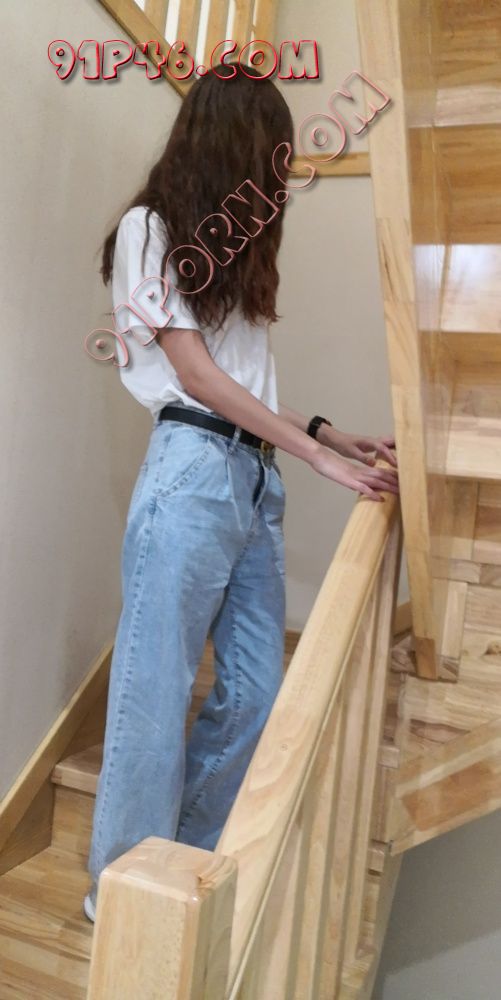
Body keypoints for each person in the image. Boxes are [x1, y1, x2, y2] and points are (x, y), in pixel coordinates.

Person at [84, 61, 398, 923]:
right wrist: (316, 460)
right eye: (270, 155)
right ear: (231, 146)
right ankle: (119, 899)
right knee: (153, 693)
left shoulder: (228, 254)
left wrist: (325, 433)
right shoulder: (149, 230)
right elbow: (193, 379)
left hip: (251, 478)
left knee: (256, 692)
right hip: (190, 474)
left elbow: (240, 388)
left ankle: (176, 860)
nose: (278, 175)